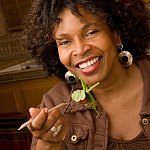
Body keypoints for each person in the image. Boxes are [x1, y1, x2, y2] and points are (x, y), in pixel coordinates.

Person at [24, 0, 150, 149]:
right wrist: (48, 143)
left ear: (115, 34)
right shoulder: (54, 104)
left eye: (91, 32)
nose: (80, 49)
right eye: (64, 42)